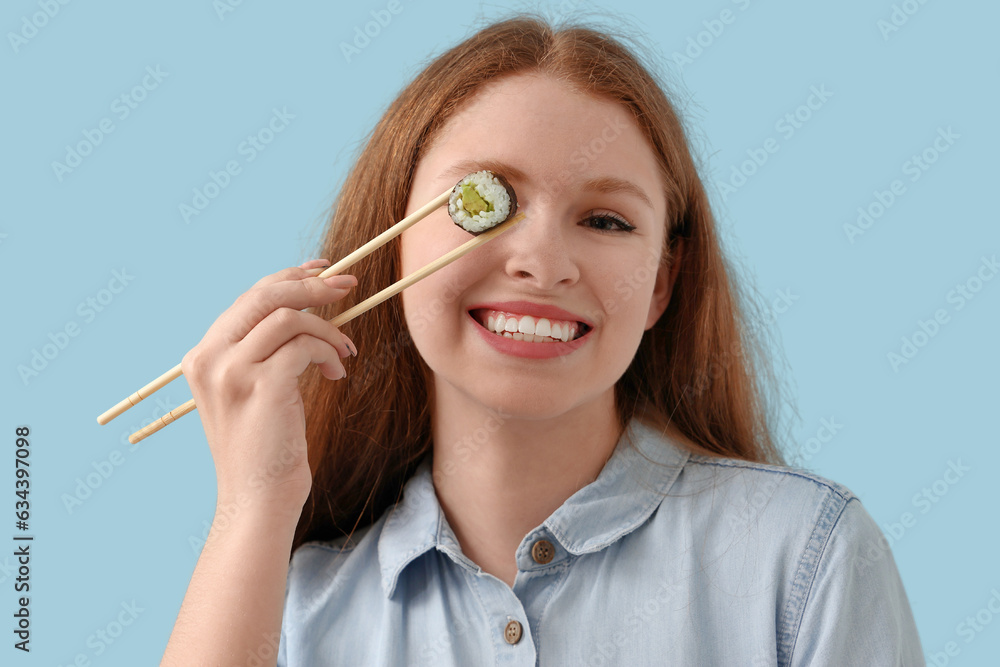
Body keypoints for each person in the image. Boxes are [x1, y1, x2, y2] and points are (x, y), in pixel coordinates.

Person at [161, 14, 925, 666]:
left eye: (606, 221)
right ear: (394, 241)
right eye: (485, 202)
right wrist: (251, 508)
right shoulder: (288, 605)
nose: (542, 263)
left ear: (663, 281)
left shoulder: (807, 558)